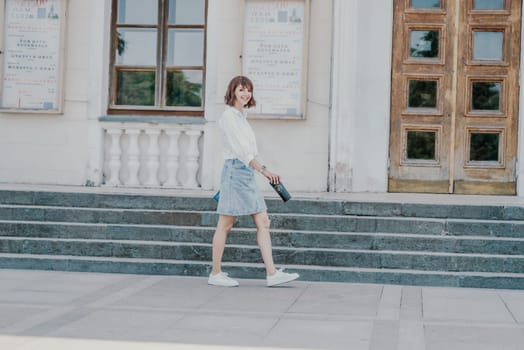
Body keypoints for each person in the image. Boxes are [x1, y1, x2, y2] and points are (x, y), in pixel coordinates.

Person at [208, 75, 300, 287]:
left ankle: (272, 273)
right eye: (241, 89)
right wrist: (265, 171)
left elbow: (251, 152)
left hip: (245, 173)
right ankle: (215, 273)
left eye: (248, 90)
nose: (246, 93)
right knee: (225, 223)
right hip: (235, 172)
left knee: (263, 221)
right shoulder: (228, 117)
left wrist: (265, 169)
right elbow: (241, 152)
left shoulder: (241, 116)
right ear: (232, 91)